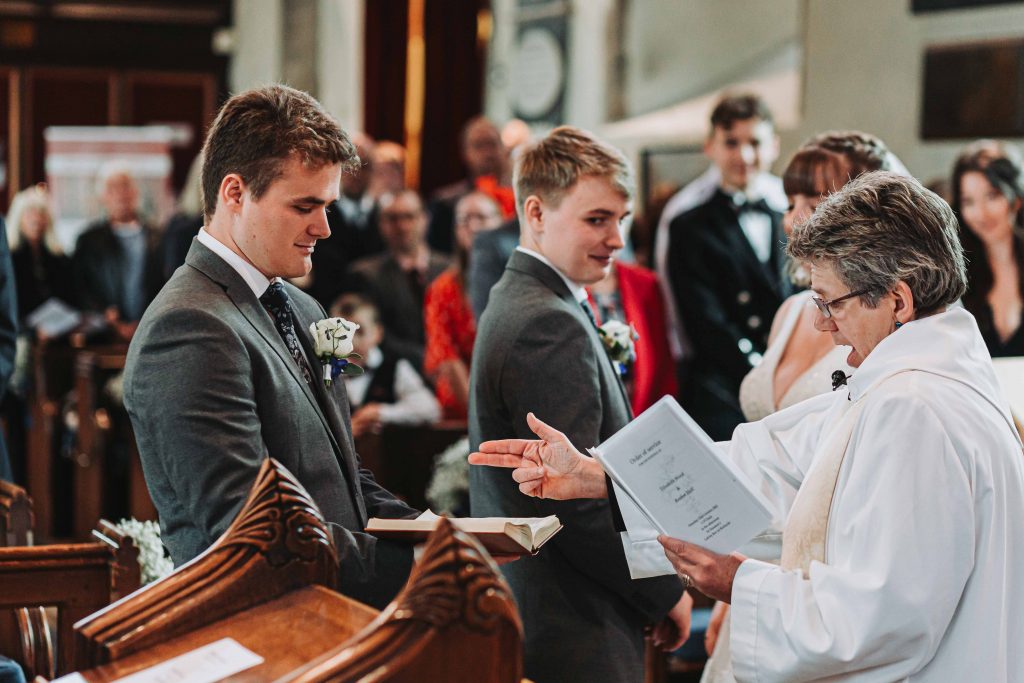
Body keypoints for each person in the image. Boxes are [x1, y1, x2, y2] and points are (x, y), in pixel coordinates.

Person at [472, 171, 1024, 682]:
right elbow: (774, 459)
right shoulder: (910, 381)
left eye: (831, 302)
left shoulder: (916, 408)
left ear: (898, 300)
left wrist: (739, 583)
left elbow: (883, 617)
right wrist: (602, 476)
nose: (820, 324)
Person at [123, 84, 420, 609]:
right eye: (304, 205)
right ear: (234, 193)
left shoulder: (303, 309)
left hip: (332, 610)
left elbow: (338, 475)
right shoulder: (190, 327)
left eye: (328, 205)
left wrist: (435, 533)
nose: (324, 227)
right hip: (261, 624)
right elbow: (249, 530)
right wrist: (413, 565)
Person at [469, 126, 690, 683]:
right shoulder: (546, 322)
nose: (617, 238)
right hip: (573, 616)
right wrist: (664, 589)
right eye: (597, 219)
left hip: (556, 602)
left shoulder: (525, 297)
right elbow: (572, 502)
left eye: (621, 219)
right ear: (537, 212)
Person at [703, 131, 901, 683]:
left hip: (822, 571)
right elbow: (763, 451)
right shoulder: (793, 312)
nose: (795, 220)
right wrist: (730, 589)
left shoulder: (878, 328)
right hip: (755, 550)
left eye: (814, 206)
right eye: (791, 205)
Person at [664, 94, 791, 440]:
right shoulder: (688, 225)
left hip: (790, 380)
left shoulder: (790, 215)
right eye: (732, 143)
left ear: (774, 146)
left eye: (755, 142)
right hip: (723, 389)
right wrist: (760, 374)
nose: (744, 156)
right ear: (710, 147)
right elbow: (704, 322)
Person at [346, 189, 450, 371]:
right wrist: (426, 360)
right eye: (392, 218)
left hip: (452, 370)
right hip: (394, 373)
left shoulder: (450, 269)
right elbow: (375, 332)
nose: (402, 226)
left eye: (409, 217)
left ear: (425, 219)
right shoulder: (364, 274)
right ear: (380, 224)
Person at [424, 192, 502, 419]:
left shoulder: (521, 280)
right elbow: (446, 356)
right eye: (464, 220)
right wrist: (481, 418)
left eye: (481, 217)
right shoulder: (443, 288)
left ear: (500, 222)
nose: (473, 226)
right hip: (463, 406)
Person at [951, 140, 1024, 357]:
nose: (981, 214)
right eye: (968, 202)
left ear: (1016, 198)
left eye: (992, 196)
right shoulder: (956, 270)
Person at [72, 163, 162, 339]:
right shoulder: (88, 241)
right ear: (102, 196)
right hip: (103, 336)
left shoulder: (157, 237)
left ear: (136, 192)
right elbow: (79, 288)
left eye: (126, 186)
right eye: (113, 188)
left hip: (151, 332)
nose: (121, 194)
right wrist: (105, 316)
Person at [333, 294, 440, 436]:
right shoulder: (325, 371)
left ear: (377, 333)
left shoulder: (395, 366)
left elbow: (430, 410)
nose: (350, 341)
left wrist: (381, 412)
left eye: (359, 331)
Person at [585, 260, 678, 415]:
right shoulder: (566, 288)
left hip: (643, 413)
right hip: (593, 419)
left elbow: (663, 362)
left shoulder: (645, 283)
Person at [308, 133, 385, 309]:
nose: (356, 173)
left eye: (364, 166)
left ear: (374, 171)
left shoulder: (384, 217)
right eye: (350, 166)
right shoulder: (318, 214)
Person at [428, 116, 512, 253]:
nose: (487, 153)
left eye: (492, 144)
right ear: (465, 153)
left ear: (504, 149)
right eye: (479, 146)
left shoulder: (519, 198)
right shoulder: (445, 202)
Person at [6, 185, 72, 320]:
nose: (36, 219)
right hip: (22, 334)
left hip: (58, 334)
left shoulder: (59, 258)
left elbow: (69, 298)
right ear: (18, 218)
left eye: (41, 213)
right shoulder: (8, 259)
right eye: (30, 213)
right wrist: (32, 332)